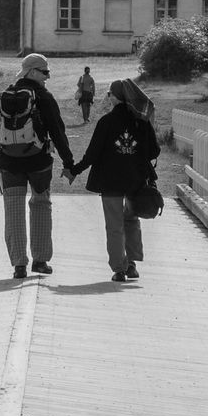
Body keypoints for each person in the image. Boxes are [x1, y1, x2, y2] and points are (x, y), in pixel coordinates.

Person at [0, 53, 76, 279]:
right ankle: (40, 260)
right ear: (33, 72)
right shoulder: (43, 97)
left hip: (9, 162)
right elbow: (57, 131)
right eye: (44, 72)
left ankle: (19, 265)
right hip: (39, 162)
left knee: (14, 210)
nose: (47, 76)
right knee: (41, 205)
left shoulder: (4, 95)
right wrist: (69, 163)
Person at [64, 79, 160, 282]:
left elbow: (92, 155)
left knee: (114, 225)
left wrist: (74, 171)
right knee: (132, 220)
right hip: (136, 181)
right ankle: (132, 265)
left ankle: (119, 268)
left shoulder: (106, 122)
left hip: (110, 182)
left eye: (109, 94)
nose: (107, 97)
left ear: (115, 97)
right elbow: (154, 150)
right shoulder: (141, 121)